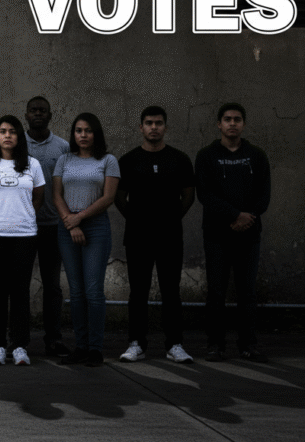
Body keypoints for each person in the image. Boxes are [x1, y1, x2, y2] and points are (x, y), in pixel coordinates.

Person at [115, 106, 195, 364]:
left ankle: (175, 344)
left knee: (171, 291)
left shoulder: (179, 159)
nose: (154, 127)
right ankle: (136, 343)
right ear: (141, 127)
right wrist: (138, 219)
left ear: (166, 127)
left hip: (170, 236)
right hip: (138, 236)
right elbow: (119, 196)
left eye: (158, 123)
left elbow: (188, 195)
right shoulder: (128, 160)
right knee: (138, 291)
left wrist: (170, 219)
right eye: (149, 123)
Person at [196, 103, 271, 363]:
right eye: (227, 119)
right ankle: (215, 345)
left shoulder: (257, 156)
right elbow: (205, 194)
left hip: (248, 234)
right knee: (216, 291)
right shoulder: (206, 156)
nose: (232, 123)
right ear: (219, 124)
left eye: (237, 119)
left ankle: (248, 345)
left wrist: (246, 218)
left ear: (244, 124)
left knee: (247, 292)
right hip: (217, 234)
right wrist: (233, 216)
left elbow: (263, 196)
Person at [0, 116, 45, 366]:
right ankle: (0, 345)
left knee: (20, 292)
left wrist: (22, 216)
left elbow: (38, 197)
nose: (7, 135)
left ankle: (20, 345)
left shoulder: (32, 164)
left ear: (19, 136)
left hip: (24, 236)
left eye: (12, 131)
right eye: (2, 131)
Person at [52, 112, 119, 367]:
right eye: (78, 130)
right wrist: (70, 221)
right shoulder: (64, 159)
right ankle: (80, 347)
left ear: (96, 133)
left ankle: (95, 349)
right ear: (73, 134)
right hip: (67, 227)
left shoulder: (108, 160)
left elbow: (108, 197)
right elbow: (56, 195)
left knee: (93, 291)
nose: (83, 135)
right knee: (77, 292)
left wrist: (79, 219)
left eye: (88, 131)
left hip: (95, 227)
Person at [24, 95, 72, 357]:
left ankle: (53, 338)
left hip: (53, 226)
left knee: (52, 285)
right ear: (26, 116)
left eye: (43, 110)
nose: (38, 114)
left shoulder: (63, 147)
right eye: (33, 110)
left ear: (50, 115)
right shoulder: (17, 145)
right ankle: (18, 338)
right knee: (18, 284)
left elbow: (68, 185)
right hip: (23, 227)